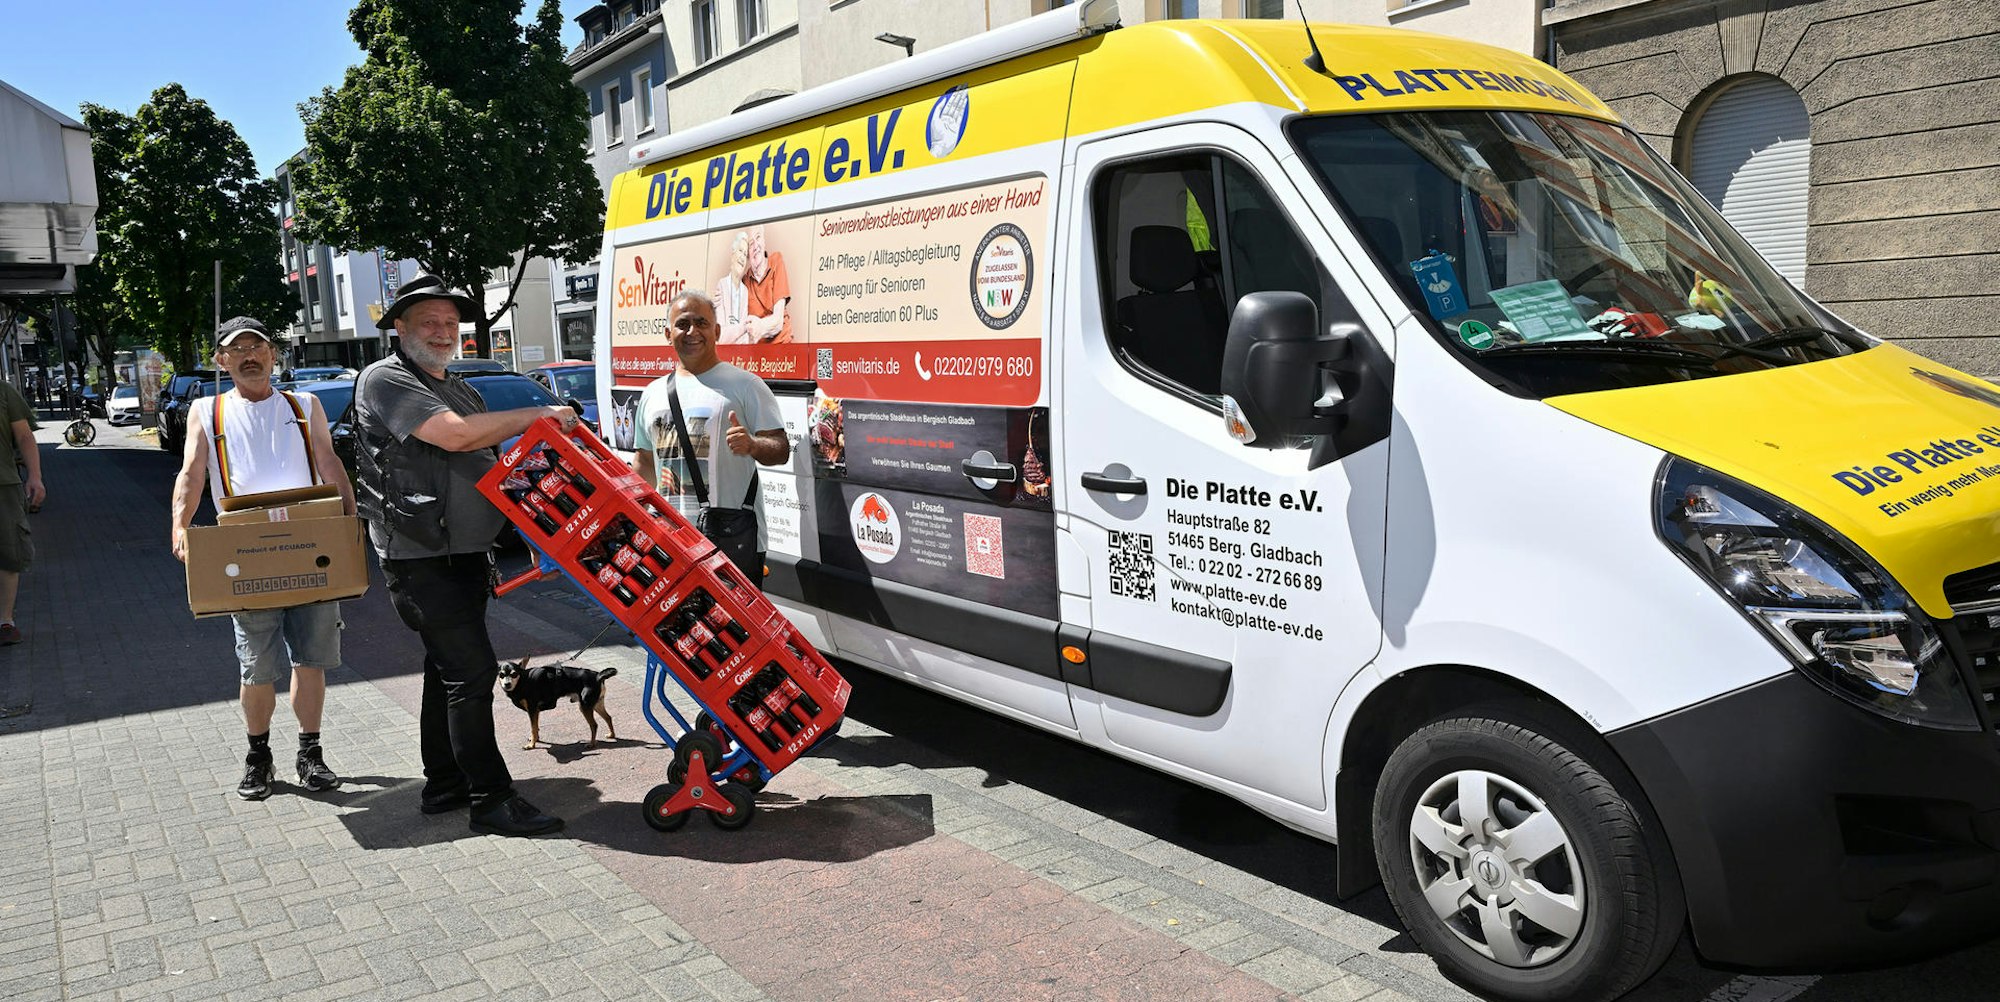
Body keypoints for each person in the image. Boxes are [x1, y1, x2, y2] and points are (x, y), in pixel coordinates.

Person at [354, 274, 580, 838]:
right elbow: (455, 437)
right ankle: (490, 799)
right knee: (473, 674)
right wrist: (537, 415)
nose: (442, 332)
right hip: (421, 556)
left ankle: (445, 783)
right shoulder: (386, 379)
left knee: (447, 671)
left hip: (463, 552)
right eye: (428, 322)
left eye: (450, 323)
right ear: (399, 328)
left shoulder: (459, 387)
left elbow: (491, 462)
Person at [170, 317, 353, 799]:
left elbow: (328, 461)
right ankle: (259, 757)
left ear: (273, 355)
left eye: (258, 347)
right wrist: (180, 526)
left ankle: (310, 753)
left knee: (311, 660)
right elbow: (191, 474)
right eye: (238, 349)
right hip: (246, 552)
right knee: (256, 666)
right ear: (221, 360)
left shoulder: (304, 404)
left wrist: (350, 523)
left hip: (309, 546)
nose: (250, 356)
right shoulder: (206, 411)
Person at [634, 290, 789, 587]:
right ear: (668, 334)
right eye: (682, 324)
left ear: (716, 331)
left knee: (736, 619)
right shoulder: (652, 394)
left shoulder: (746, 385)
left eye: (701, 323)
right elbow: (645, 464)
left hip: (731, 541)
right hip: (670, 541)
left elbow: (781, 450)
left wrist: (753, 445)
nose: (692, 331)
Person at [0, 374, 44, 646]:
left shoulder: (4, 392)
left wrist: (35, 476)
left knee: (9, 552)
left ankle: (5, 621)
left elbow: (25, 436)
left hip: (3, 485)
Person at [743, 225, 793, 344]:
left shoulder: (776, 261)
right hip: (759, 351)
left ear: (764, 241)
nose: (755, 246)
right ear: (747, 254)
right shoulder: (745, 282)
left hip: (783, 344)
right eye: (751, 244)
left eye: (758, 238)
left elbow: (778, 322)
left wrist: (759, 327)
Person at [714, 231, 754, 345]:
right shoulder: (722, 285)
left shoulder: (745, 291)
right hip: (724, 352)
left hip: (740, 353)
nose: (742, 257)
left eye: (745, 255)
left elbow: (745, 339)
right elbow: (721, 336)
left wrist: (733, 331)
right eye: (740, 251)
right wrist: (742, 327)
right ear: (733, 253)